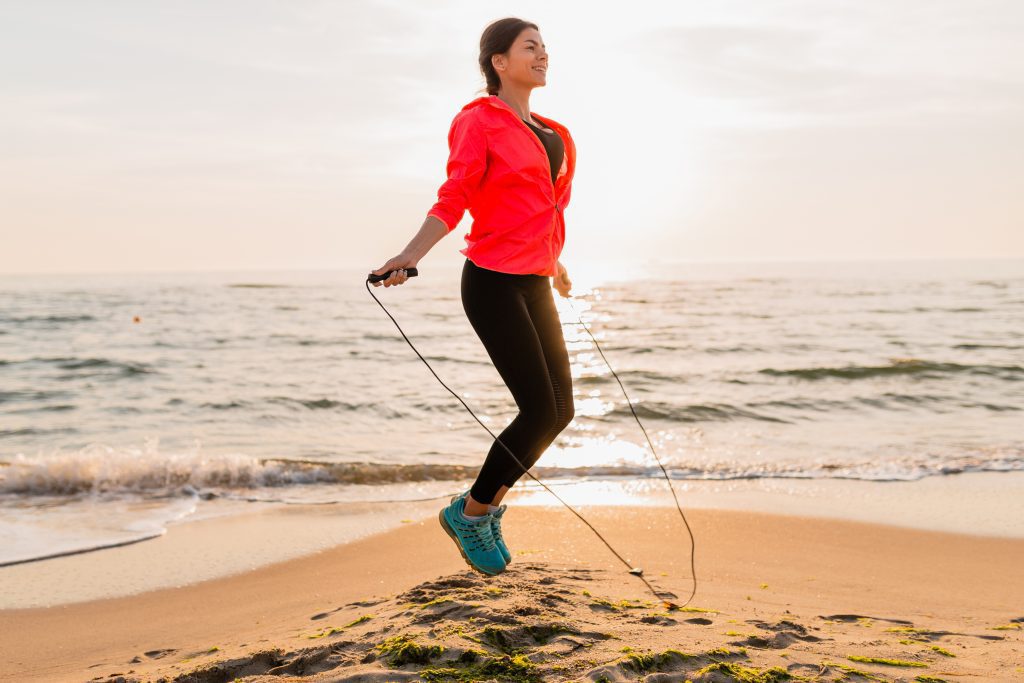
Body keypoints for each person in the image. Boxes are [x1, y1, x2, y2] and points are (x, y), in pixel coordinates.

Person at [370, 17, 577, 576]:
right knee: (537, 409)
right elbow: (456, 193)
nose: (542, 56)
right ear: (498, 62)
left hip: (534, 281)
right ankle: (471, 513)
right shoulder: (477, 121)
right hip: (491, 282)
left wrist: (555, 265)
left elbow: (542, 209)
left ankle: (482, 510)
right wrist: (411, 254)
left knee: (560, 412)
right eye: (530, 47)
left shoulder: (557, 133)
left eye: (545, 48)